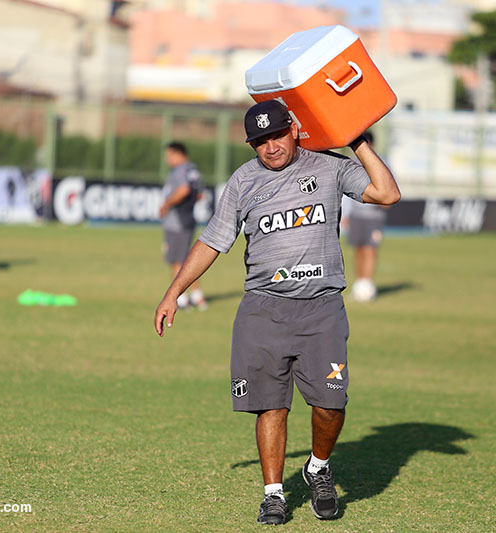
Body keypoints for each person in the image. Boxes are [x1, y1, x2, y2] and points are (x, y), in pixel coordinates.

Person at [153, 100, 400, 525]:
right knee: (271, 405)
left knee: (331, 404)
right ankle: (273, 494)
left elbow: (387, 193)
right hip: (263, 310)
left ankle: (318, 468)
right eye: (260, 141)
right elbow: (213, 240)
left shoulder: (329, 166)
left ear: (296, 129)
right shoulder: (243, 181)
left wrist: (353, 137)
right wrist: (174, 291)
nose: (270, 147)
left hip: (321, 308)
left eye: (277, 135)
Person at [159, 141, 207, 310]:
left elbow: (184, 189)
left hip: (177, 221)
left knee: (176, 261)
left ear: (176, 153)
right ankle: (197, 296)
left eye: (168, 155)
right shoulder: (193, 170)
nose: (167, 160)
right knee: (188, 259)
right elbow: (200, 195)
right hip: (188, 219)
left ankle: (181, 299)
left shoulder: (179, 171)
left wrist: (167, 204)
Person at [342, 131, 389, 302]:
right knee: (359, 248)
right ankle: (360, 284)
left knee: (370, 249)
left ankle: (367, 285)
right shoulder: (353, 163)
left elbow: (389, 189)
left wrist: (382, 202)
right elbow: (346, 193)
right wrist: (345, 214)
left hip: (373, 215)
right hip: (356, 214)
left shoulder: (383, 162)